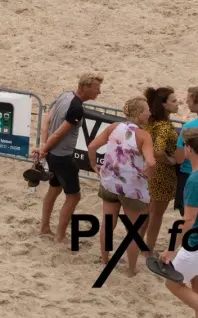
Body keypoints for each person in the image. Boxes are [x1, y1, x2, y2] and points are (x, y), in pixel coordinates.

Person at [87, 96, 155, 275]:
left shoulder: (113, 127)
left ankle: (104, 260)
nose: (149, 113)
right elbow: (151, 162)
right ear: (139, 113)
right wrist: (148, 176)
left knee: (108, 224)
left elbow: (92, 146)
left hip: (110, 183)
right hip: (132, 188)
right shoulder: (144, 135)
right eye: (147, 110)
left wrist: (94, 165)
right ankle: (131, 269)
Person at [34, 73, 103, 242]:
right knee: (74, 196)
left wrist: (44, 146)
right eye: (96, 88)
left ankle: (44, 228)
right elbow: (59, 134)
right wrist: (44, 149)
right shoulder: (76, 108)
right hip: (63, 157)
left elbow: (46, 120)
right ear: (85, 87)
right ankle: (60, 236)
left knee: (54, 189)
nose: (99, 92)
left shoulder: (64, 95)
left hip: (53, 154)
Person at [159, 128, 198, 314]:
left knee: (172, 283)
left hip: (195, 244)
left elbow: (188, 219)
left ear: (188, 148)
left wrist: (171, 249)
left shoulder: (194, 180)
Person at [144, 87, 179, 253]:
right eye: (174, 101)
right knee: (156, 215)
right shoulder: (164, 127)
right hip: (163, 174)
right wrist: (170, 160)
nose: (177, 103)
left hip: (150, 171)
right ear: (164, 104)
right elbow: (158, 151)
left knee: (148, 211)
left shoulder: (151, 122)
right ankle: (148, 249)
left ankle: (140, 245)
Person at [174, 87, 198, 215]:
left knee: (188, 215)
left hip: (189, 174)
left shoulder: (188, 127)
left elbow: (179, 158)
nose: (187, 102)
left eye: (189, 99)